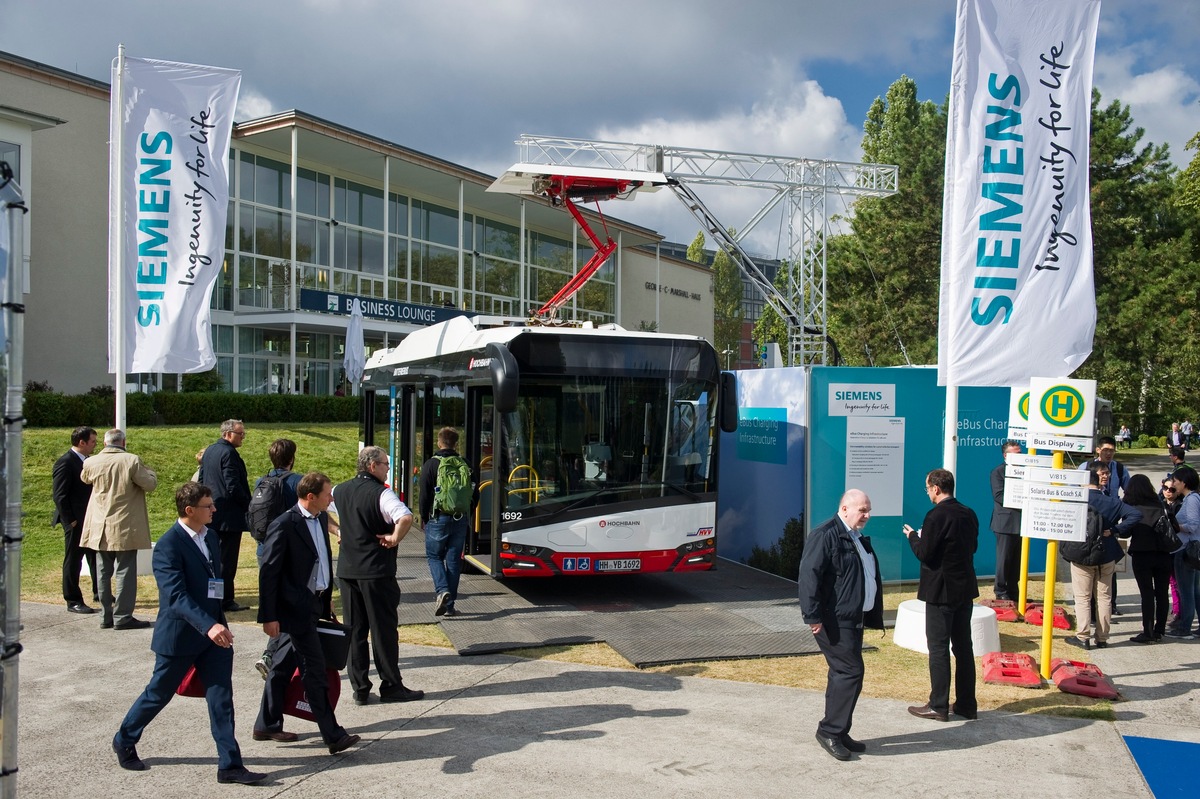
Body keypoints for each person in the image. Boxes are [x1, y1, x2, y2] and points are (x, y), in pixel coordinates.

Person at [111, 482, 266, 785]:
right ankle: (124, 738)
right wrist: (209, 626)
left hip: (214, 636)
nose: (214, 509)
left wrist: (217, 622)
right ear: (190, 510)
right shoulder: (169, 545)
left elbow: (214, 583)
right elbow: (176, 596)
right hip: (181, 635)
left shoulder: (210, 537)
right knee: (158, 693)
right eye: (209, 506)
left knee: (221, 698)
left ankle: (230, 765)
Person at [255, 472, 360, 755]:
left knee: (282, 665)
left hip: (314, 605)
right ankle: (333, 734)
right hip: (294, 609)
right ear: (311, 497)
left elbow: (319, 561)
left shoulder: (322, 518)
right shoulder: (285, 524)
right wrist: (269, 615)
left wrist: (326, 601)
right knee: (314, 671)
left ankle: (266, 722)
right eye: (328, 494)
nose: (332, 498)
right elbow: (269, 572)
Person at [334, 446, 424, 705]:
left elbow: (318, 510)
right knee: (383, 629)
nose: (388, 468)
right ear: (372, 466)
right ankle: (391, 684)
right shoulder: (382, 494)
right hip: (375, 570)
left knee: (355, 630)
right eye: (385, 464)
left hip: (348, 570)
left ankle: (360, 687)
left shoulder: (340, 490)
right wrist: (395, 538)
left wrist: (338, 531)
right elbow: (405, 516)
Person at [797, 489, 883, 761]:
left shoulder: (856, 537)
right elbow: (809, 577)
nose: (867, 515)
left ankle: (839, 729)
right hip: (833, 620)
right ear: (844, 508)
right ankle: (830, 731)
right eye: (862, 510)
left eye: (868, 510)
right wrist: (812, 616)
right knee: (849, 671)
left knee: (846, 674)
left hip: (852, 618)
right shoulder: (825, 535)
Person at [903, 468, 979, 723]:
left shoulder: (935, 516)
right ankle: (967, 704)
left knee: (938, 648)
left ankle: (938, 705)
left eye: (927, 489)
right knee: (963, 648)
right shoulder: (968, 513)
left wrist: (913, 536)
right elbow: (973, 547)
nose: (927, 493)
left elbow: (925, 553)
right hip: (964, 590)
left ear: (936, 488)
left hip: (940, 591)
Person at [80, 428, 157, 630]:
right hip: (124, 524)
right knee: (125, 571)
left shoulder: (90, 461)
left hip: (99, 524)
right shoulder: (131, 460)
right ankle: (122, 616)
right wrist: (150, 472)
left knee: (103, 571)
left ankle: (105, 616)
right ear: (123, 443)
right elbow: (149, 484)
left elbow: (85, 479)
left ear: (105, 443)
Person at [1064, 464, 1141, 650]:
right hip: (1106, 553)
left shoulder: (1076, 501)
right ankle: (1102, 637)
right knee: (1105, 597)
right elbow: (1135, 514)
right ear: (1098, 482)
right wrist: (1115, 530)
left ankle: (1083, 636)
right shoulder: (1112, 502)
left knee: (1082, 597)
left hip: (1081, 554)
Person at [252, 438, 304, 679]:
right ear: (291, 458)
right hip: (289, 554)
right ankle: (272, 655)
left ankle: (275, 655)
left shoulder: (260, 481)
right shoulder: (296, 482)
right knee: (290, 608)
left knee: (276, 604)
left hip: (264, 550)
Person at [419, 427, 476, 618]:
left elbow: (425, 495)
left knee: (434, 556)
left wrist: (424, 517)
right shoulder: (465, 464)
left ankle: (442, 591)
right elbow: (474, 492)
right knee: (453, 560)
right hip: (460, 518)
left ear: (439, 442)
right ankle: (450, 607)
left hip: (438, 517)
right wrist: (468, 511)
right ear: (456, 443)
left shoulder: (431, 465)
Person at [200, 419, 251, 613]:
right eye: (240, 434)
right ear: (228, 434)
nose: (243, 437)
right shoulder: (229, 453)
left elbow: (203, 480)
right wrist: (248, 503)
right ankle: (225, 600)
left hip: (212, 512)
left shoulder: (210, 451)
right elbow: (232, 485)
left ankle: (215, 598)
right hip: (229, 516)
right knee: (227, 562)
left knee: (214, 558)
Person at [1122, 474, 1176, 643]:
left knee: (1146, 593)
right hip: (1164, 554)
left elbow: (1125, 532)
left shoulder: (1131, 508)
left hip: (1142, 553)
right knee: (1161, 592)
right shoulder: (1160, 504)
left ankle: (1148, 631)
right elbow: (1174, 526)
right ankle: (1160, 630)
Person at [52, 425, 99, 613]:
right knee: (73, 560)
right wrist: (70, 520)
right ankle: (73, 600)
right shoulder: (65, 462)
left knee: (95, 557)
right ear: (82, 442)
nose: (95, 445)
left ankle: (99, 592)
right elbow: (60, 495)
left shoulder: (88, 461)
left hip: (88, 518)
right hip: (75, 521)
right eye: (93, 442)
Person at [1165, 466, 1200, 639]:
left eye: (1176, 481)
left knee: (1187, 590)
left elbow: (1193, 525)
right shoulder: (1190, 499)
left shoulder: (1192, 499)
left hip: (1187, 549)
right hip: (1189, 548)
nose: (1174, 484)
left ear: (1184, 482)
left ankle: (1185, 627)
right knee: (1194, 590)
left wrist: (1177, 526)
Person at [989, 440, 1023, 602]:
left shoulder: (1026, 472)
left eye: (1020, 453)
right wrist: (1022, 500)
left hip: (1022, 524)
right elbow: (998, 496)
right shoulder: (998, 472)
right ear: (1005, 456)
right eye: (1015, 454)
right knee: (1004, 559)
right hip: (1005, 524)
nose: (1019, 457)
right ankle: (1000, 591)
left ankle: (1013, 592)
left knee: (1017, 562)